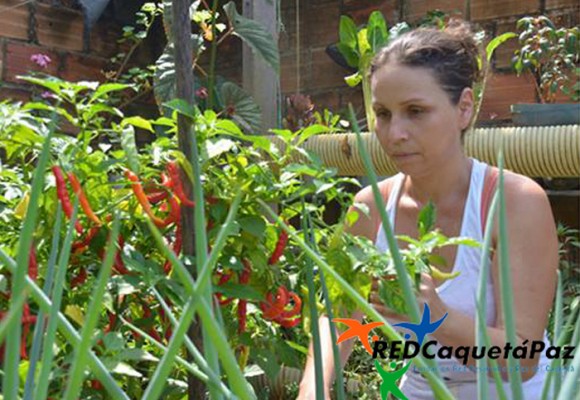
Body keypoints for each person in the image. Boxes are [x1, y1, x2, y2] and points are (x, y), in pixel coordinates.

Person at [297, 20, 558, 400]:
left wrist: (434, 318)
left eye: (415, 111)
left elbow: (521, 360)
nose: (394, 133)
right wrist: (312, 390)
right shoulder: (369, 207)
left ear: (464, 108)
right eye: (383, 114)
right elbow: (338, 316)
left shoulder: (513, 202)